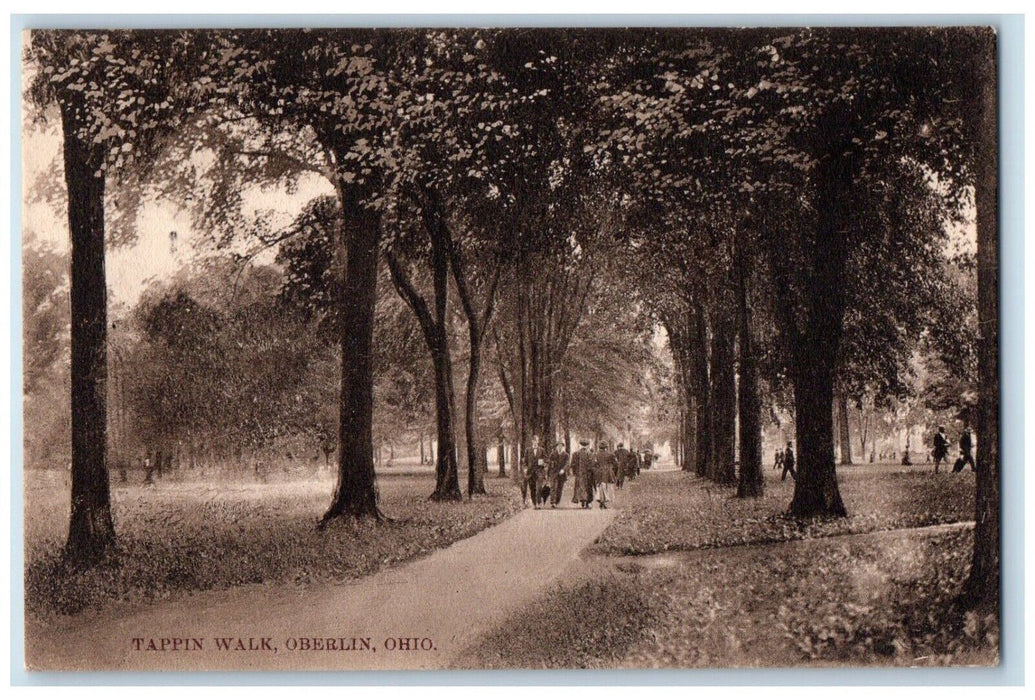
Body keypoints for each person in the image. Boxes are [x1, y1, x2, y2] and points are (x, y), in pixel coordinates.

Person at [522, 435, 548, 508]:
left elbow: (546, 460)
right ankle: (534, 503)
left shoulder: (542, 450)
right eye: (534, 440)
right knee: (532, 488)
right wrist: (525, 468)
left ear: (538, 441)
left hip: (539, 471)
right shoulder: (527, 450)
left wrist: (543, 463)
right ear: (532, 441)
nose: (535, 442)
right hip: (530, 473)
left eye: (536, 440)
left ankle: (538, 503)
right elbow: (525, 462)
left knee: (539, 487)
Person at [570, 439, 596, 509]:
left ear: (580, 445)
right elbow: (592, 465)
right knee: (588, 488)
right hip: (588, 474)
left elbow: (573, 464)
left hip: (579, 474)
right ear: (587, 445)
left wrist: (575, 472)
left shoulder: (576, 453)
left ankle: (583, 502)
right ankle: (588, 502)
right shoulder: (590, 454)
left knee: (580, 487)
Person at [594, 441, 618, 508]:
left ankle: (601, 500)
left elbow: (594, 464)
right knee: (608, 486)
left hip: (599, 472)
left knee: (600, 486)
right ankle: (605, 501)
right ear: (606, 447)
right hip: (608, 472)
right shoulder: (611, 454)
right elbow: (616, 464)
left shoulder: (596, 454)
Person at [547, 441, 570, 507]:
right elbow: (549, 464)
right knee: (553, 487)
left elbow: (567, 464)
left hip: (562, 474)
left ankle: (557, 501)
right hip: (553, 473)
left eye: (561, 446)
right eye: (558, 446)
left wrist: (563, 469)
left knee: (559, 488)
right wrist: (548, 473)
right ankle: (553, 502)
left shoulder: (566, 455)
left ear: (563, 447)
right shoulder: (552, 454)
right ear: (556, 447)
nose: (560, 447)